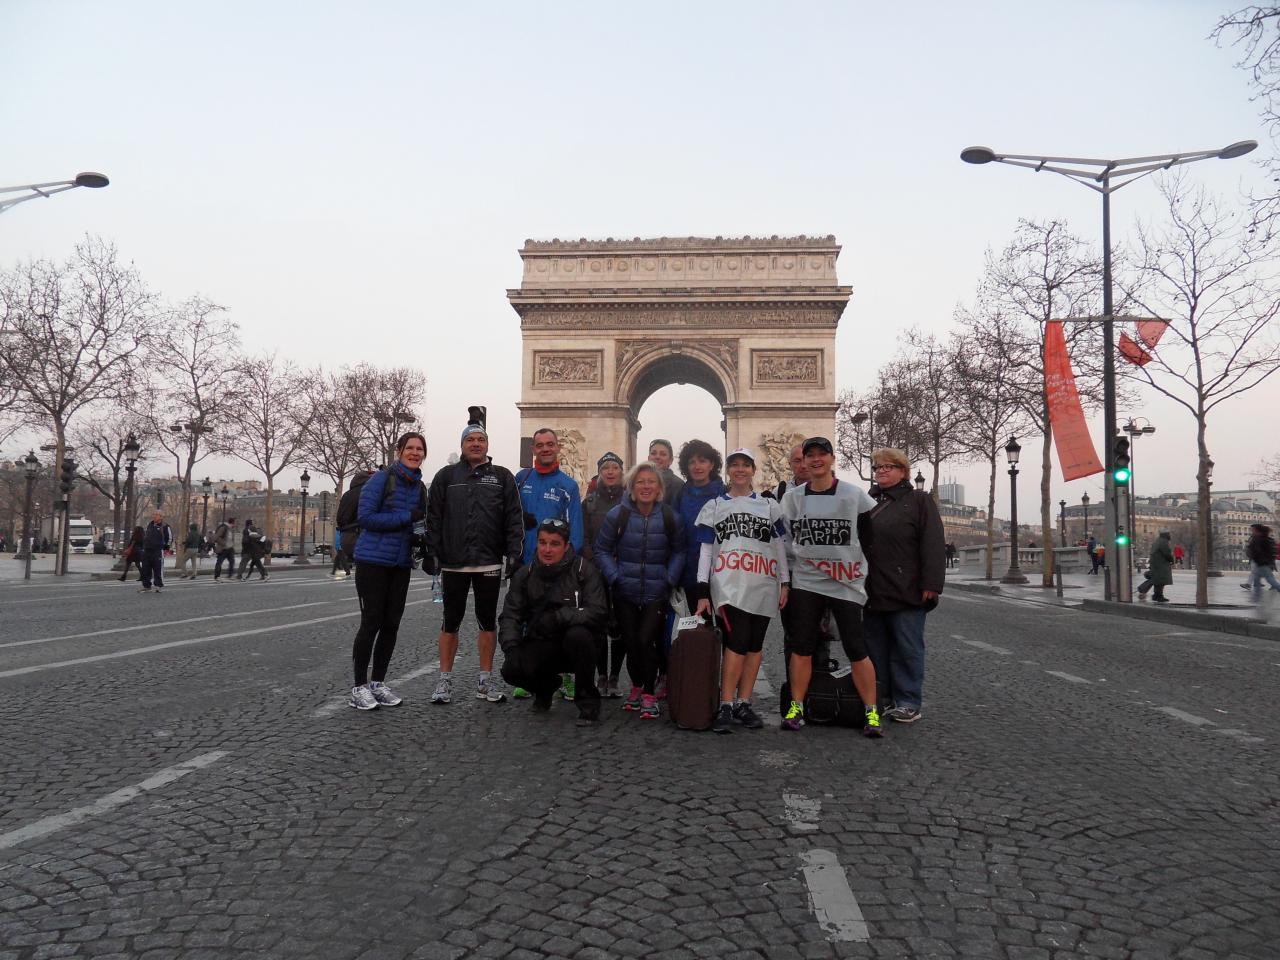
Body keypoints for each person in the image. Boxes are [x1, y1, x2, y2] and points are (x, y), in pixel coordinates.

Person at [779, 436, 883, 737]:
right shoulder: (793, 498)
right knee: (802, 646)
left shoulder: (854, 495)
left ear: (832, 458)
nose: (815, 460)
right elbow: (786, 540)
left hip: (845, 581)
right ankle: (797, 706)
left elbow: (868, 540)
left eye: (821, 454)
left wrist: (867, 580)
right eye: (809, 455)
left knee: (856, 647)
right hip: (807, 581)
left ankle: (870, 711)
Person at [426, 417, 524, 705]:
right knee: (450, 622)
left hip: (488, 562)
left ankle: (485, 679)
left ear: (488, 445)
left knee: (487, 622)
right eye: (470, 440)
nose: (476, 444)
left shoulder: (503, 477)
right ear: (462, 445)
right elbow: (433, 518)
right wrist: (432, 551)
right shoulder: (445, 477)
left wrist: (514, 553)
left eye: (481, 439)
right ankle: (444, 681)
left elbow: (513, 519)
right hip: (454, 562)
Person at [692, 448, 788, 734]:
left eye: (745, 465)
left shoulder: (770, 506)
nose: (740, 470)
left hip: (762, 581)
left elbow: (779, 545)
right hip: (728, 584)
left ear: (753, 470)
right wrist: (702, 590)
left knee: (755, 645)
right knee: (737, 642)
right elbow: (706, 550)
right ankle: (725, 704)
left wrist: (785, 582)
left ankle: (743, 702)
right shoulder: (715, 506)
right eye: (735, 465)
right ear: (728, 471)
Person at [593, 462, 685, 720]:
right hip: (625, 589)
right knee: (632, 642)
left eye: (651, 482)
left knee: (646, 640)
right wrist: (614, 576)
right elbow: (601, 549)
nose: (646, 486)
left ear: (659, 488)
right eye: (640, 482)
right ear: (631, 487)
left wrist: (669, 578)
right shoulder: (617, 515)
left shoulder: (670, 517)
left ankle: (647, 693)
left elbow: (680, 550)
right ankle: (635, 688)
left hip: (657, 590)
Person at [862, 448, 945, 724]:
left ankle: (908, 700)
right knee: (876, 647)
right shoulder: (865, 500)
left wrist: (931, 583)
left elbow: (932, 542)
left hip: (906, 586)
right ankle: (882, 696)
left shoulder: (919, 500)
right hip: (871, 586)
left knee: (906, 647)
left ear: (903, 471)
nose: (882, 471)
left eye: (889, 466)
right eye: (878, 467)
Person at [499, 517, 608, 724]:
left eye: (555, 544)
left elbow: (598, 611)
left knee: (579, 636)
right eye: (542, 542)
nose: (547, 549)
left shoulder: (584, 570)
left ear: (566, 546)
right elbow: (510, 615)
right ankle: (546, 687)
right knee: (511, 669)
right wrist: (511, 648)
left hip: (579, 642)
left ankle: (588, 703)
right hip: (542, 640)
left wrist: (560, 617)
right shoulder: (525, 574)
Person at [347, 432, 428, 710]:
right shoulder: (381, 479)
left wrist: (422, 538)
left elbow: (419, 524)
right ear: (399, 451)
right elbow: (366, 518)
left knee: (392, 624)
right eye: (410, 448)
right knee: (371, 623)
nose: (415, 453)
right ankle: (358, 686)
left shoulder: (420, 488)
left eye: (419, 449)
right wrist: (406, 518)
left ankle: (378, 683)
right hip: (373, 562)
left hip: (400, 562)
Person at [668, 439, 726, 696]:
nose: (697, 466)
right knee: (696, 628)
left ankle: (723, 682)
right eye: (691, 462)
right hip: (689, 572)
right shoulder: (679, 494)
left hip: (723, 572)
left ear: (712, 464)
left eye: (702, 460)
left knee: (727, 631)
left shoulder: (726, 493)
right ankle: (699, 681)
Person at [581, 451, 627, 697]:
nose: (610, 472)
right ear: (599, 473)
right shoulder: (588, 502)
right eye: (605, 468)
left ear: (622, 472)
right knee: (597, 623)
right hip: (596, 570)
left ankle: (614, 677)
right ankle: (600, 675)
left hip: (622, 569)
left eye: (615, 468)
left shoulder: (631, 500)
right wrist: (593, 560)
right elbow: (583, 536)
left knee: (620, 624)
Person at [335, 469, 373, 580]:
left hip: (346, 538)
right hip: (360, 536)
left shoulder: (347, 494)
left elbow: (340, 519)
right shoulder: (367, 492)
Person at [1245, 523, 1280, 602]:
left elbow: (1257, 551)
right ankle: (1256, 598)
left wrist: (1255, 557)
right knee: (1257, 580)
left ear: (1258, 530)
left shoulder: (1259, 539)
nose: (1252, 531)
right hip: (1263, 562)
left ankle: (1256, 598)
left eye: (1253, 529)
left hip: (1262, 563)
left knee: (1270, 580)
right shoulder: (1266, 539)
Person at [1136, 530, 1174, 603]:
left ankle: (1157, 595)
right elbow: (1167, 553)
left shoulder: (1158, 541)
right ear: (1166, 535)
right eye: (1169, 534)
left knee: (1158, 581)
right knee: (1159, 580)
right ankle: (1157, 595)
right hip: (1161, 564)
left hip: (1156, 564)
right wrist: (1171, 560)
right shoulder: (1163, 542)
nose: (1170, 536)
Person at [139, 510, 171, 593]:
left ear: (161, 517)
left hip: (157, 551)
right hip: (147, 551)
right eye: (153, 514)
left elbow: (169, 538)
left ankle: (158, 585)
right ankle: (146, 586)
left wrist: (165, 548)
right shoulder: (150, 525)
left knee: (158, 569)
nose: (154, 516)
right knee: (145, 569)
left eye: (156, 515)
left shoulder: (165, 526)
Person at [648, 439, 685, 506]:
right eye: (653, 453)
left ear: (671, 460)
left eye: (663, 454)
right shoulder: (637, 481)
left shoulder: (679, 485)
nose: (657, 457)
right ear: (648, 458)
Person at [212, 517, 237, 582]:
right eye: (235, 523)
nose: (235, 524)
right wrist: (223, 543)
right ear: (232, 523)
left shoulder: (231, 529)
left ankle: (230, 575)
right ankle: (217, 576)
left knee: (232, 561)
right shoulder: (223, 528)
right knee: (219, 562)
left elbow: (230, 539)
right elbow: (216, 537)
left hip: (230, 548)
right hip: (223, 548)